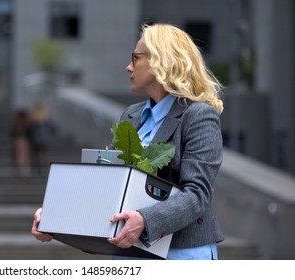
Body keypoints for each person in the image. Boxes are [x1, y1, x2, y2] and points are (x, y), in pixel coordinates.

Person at [31, 23, 225, 260]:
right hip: (128, 252)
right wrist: (55, 215)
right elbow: (109, 183)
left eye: (135, 58)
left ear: (160, 61)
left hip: (180, 254)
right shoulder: (131, 115)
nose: (128, 67)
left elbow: (197, 195)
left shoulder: (198, 115)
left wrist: (145, 221)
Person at [28, 102, 55, 175]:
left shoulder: (34, 119)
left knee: (37, 154)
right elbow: (52, 128)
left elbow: (30, 130)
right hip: (45, 139)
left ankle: (39, 168)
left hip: (36, 140)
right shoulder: (46, 119)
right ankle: (44, 168)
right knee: (44, 154)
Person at [10, 111, 31, 177]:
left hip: (18, 140)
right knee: (24, 156)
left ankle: (20, 169)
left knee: (19, 156)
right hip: (25, 140)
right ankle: (24, 170)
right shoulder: (26, 122)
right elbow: (29, 132)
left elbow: (12, 132)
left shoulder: (16, 122)